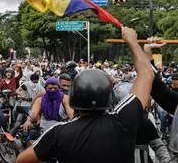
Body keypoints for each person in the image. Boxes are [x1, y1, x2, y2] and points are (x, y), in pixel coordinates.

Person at [16, 27, 154, 163]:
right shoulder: (124, 120)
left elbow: (21, 160)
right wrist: (133, 42)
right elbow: (147, 74)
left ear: (74, 95)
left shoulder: (57, 133)